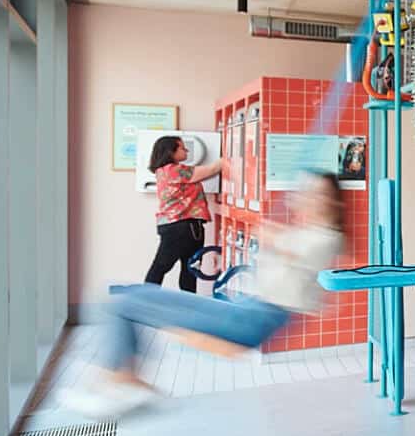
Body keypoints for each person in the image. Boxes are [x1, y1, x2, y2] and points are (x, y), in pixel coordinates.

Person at [71, 172, 346, 417]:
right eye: (308, 192)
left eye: (318, 194)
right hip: (246, 310)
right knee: (123, 294)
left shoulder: (328, 237)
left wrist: (272, 237)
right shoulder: (303, 232)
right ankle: (126, 379)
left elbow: (294, 254)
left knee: (122, 303)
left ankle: (121, 379)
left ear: (334, 202)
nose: (310, 198)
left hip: (254, 320)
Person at [145, 136, 227, 293]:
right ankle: (144, 302)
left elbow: (204, 174)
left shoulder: (164, 171)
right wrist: (232, 152)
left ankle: (147, 301)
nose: (187, 150)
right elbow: (211, 170)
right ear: (171, 152)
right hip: (182, 226)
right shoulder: (175, 170)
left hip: (176, 226)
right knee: (169, 268)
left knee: (180, 269)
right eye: (182, 148)